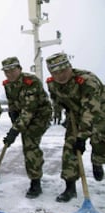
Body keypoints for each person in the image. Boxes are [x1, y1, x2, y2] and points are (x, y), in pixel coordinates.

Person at [45, 52, 105, 202]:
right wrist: (60, 110)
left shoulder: (87, 81)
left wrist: (82, 137)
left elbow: (91, 110)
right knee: (70, 149)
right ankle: (70, 187)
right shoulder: (52, 83)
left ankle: (97, 162)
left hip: (100, 114)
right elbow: (55, 98)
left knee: (99, 143)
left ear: (70, 67)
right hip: (76, 116)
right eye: (55, 72)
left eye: (63, 71)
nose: (60, 76)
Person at [1, 57, 52, 198]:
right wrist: (13, 116)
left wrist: (15, 130)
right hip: (24, 115)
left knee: (29, 143)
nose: (9, 74)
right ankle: (35, 170)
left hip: (40, 115)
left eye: (12, 70)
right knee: (27, 142)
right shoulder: (7, 84)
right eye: (6, 71)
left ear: (19, 68)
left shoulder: (31, 82)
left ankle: (35, 182)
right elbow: (12, 102)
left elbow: (30, 109)